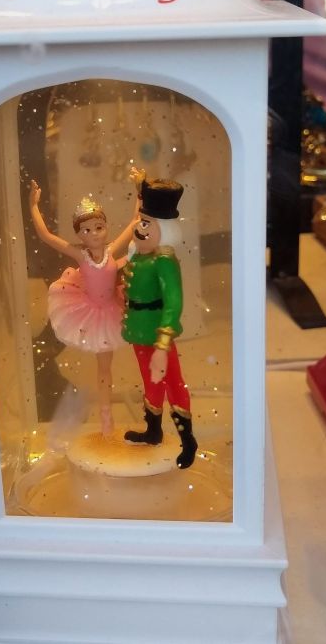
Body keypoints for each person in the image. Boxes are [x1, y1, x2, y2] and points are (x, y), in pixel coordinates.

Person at [29, 173, 140, 436]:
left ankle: (106, 419)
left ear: (106, 227)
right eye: (86, 230)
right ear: (79, 234)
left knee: (105, 368)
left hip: (111, 311)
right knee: (95, 366)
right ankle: (98, 416)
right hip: (87, 311)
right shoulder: (80, 254)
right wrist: (33, 205)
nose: (93, 234)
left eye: (98, 227)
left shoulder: (111, 250)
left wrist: (139, 190)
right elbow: (45, 235)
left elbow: (135, 222)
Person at [122, 177, 198, 469]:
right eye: (141, 222)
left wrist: (162, 346)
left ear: (163, 230)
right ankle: (153, 431)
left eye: (147, 224)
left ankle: (188, 440)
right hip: (139, 332)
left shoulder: (164, 261)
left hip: (156, 335)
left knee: (172, 384)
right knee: (151, 383)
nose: (140, 228)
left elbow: (173, 303)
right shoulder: (139, 257)